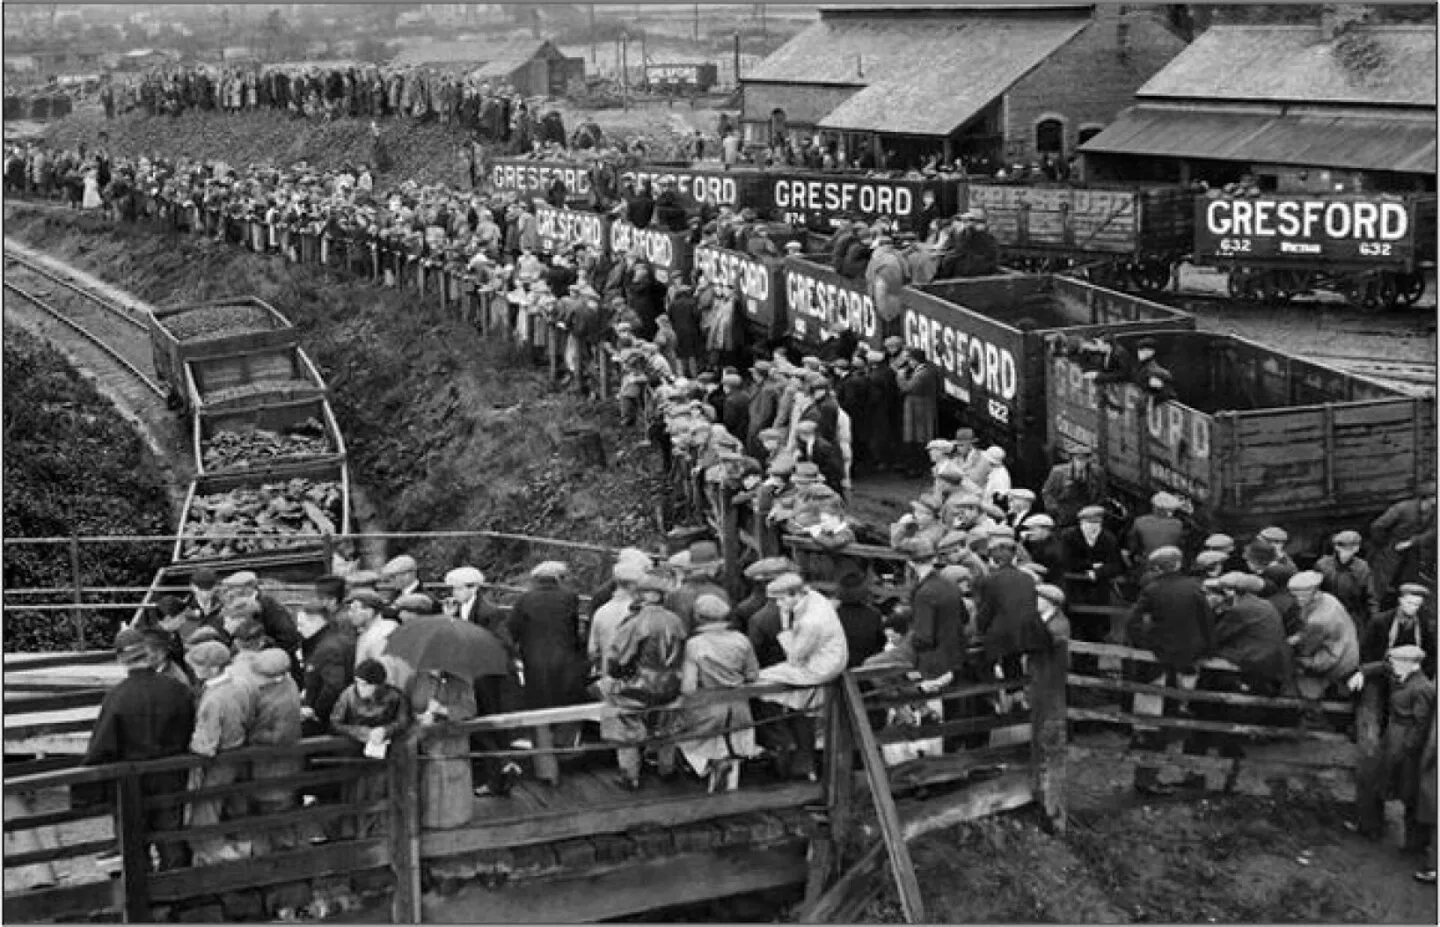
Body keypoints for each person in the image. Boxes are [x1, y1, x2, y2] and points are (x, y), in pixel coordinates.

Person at [82, 628, 197, 872]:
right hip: (172, 775)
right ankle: (177, 898)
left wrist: (87, 783)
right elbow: (192, 727)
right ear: (147, 652)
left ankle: (141, 903)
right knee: (171, 840)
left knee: (133, 844)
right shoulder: (178, 690)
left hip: (130, 782)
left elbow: (102, 745)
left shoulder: (117, 697)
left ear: (121, 660)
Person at [598, 571, 689, 791]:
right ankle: (667, 769)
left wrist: (616, 675)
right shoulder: (676, 620)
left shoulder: (636, 622)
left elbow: (617, 658)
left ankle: (630, 775)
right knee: (666, 723)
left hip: (641, 686)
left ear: (642, 595)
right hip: (672, 684)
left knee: (624, 722)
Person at [756, 572, 849, 781]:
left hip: (821, 667)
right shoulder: (814, 597)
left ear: (794, 595)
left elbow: (795, 658)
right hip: (831, 658)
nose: (779, 605)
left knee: (760, 679)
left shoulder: (810, 622)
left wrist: (786, 632)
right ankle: (799, 752)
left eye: (781, 600)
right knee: (798, 702)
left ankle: (782, 742)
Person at [677, 595, 761, 791]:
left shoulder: (695, 644)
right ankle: (730, 797)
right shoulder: (742, 640)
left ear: (698, 617)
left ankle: (712, 765)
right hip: (739, 707)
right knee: (735, 746)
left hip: (708, 708)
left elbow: (688, 687)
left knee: (686, 739)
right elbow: (752, 675)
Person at [184, 640, 256, 866]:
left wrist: (189, 744)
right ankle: (243, 849)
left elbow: (205, 744)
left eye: (198, 665)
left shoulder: (214, 699)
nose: (194, 668)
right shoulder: (240, 684)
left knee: (205, 812)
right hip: (238, 752)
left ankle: (219, 860)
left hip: (218, 760)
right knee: (237, 805)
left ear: (213, 668)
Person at [508, 561, 589, 755]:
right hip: (564, 656)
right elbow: (572, 628)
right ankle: (563, 745)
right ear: (559, 578)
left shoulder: (524, 600)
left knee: (538, 702)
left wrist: (519, 650)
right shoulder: (570, 598)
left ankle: (541, 749)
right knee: (563, 699)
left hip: (534, 657)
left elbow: (513, 629)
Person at [330, 659, 412, 835]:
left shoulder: (394, 696)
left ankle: (380, 832)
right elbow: (335, 722)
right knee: (354, 794)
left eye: (366, 684)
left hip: (383, 757)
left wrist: (386, 730)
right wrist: (362, 732)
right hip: (354, 755)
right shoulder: (348, 696)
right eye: (358, 683)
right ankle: (352, 833)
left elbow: (404, 720)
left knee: (379, 792)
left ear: (378, 685)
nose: (361, 688)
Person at [244, 649, 305, 855]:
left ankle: (285, 871)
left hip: (275, 770)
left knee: (279, 823)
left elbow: (281, 738)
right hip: (269, 769)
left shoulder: (284, 701)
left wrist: (252, 735)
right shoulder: (285, 685)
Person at [974, 534, 1050, 688]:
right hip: (1029, 633)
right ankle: (1018, 701)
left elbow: (985, 611)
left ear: (993, 560)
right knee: (1014, 668)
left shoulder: (989, 580)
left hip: (1002, 635)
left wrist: (980, 630)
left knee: (982, 667)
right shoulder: (1027, 578)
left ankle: (997, 704)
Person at [1288, 570, 1360, 701]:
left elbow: (1306, 650)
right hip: (1348, 650)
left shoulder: (1318, 621)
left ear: (1311, 594)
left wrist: (1292, 648)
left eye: (1300, 596)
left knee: (1293, 665)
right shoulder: (1328, 598)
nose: (1297, 599)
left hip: (1336, 662)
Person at [1370, 483, 1437, 606]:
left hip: (1412, 552)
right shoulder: (1402, 509)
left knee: (1407, 583)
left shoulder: (1434, 512)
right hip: (1391, 551)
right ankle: (1374, 612)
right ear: (1427, 498)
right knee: (1380, 584)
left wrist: (1412, 542)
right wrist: (1386, 544)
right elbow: (1378, 526)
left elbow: (1434, 531)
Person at [1356, 584, 1437, 683]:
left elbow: (1431, 654)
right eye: (1409, 603)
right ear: (1400, 600)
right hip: (1380, 674)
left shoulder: (1423, 625)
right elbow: (1365, 649)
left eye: (1417, 605)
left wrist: (1423, 674)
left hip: (1411, 675)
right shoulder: (1380, 621)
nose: (1413, 608)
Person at [296, 602, 354, 737]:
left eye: (301, 624)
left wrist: (316, 712)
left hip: (324, 719)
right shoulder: (331, 640)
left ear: (317, 622)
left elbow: (333, 686)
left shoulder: (328, 648)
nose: (298, 629)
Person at [1059, 505, 1126, 609]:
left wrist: (1097, 572)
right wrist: (1091, 566)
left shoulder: (1109, 538)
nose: (1093, 527)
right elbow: (1066, 560)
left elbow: (1116, 564)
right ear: (1081, 523)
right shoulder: (1068, 536)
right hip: (1074, 589)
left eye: (1097, 523)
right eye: (1090, 523)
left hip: (1100, 591)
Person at [220, 570, 301, 656]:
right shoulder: (231, 605)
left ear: (249, 588)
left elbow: (289, 637)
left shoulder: (270, 607)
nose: (229, 592)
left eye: (233, 588)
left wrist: (264, 653)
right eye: (228, 588)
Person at [1315, 530, 1380, 635]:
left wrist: (1375, 621)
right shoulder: (1323, 565)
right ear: (1336, 547)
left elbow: (1370, 597)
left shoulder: (1362, 568)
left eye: (1350, 549)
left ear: (1356, 549)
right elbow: (1316, 592)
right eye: (1342, 548)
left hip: (1352, 615)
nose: (1346, 552)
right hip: (1328, 615)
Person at [896, 348, 940, 477]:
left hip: (919, 408)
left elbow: (907, 387)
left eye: (910, 360)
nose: (909, 363)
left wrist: (900, 376)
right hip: (920, 406)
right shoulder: (927, 370)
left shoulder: (923, 374)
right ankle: (915, 465)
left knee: (919, 437)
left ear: (915, 360)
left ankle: (917, 467)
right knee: (919, 437)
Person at [832, 570, 888, 668]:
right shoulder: (874, 614)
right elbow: (881, 642)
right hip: (867, 665)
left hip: (841, 665)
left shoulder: (833, 615)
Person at [1041, 447, 1106, 528]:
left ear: (1088, 460)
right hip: (1065, 513)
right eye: (1078, 459)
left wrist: (1094, 510)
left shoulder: (1097, 472)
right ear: (1072, 460)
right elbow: (1047, 492)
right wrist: (1056, 510)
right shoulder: (1058, 472)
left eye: (1084, 460)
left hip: (1087, 512)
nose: (1081, 463)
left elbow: (1102, 493)